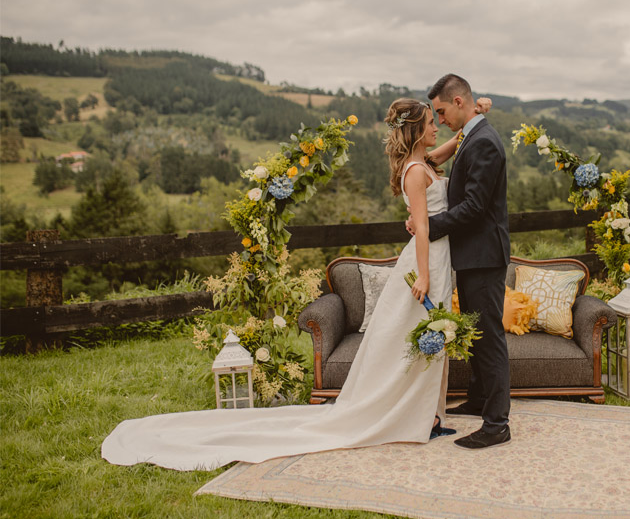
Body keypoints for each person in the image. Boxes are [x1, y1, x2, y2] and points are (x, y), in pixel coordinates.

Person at [102, 97, 489, 471]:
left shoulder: (420, 163)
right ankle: (413, 416)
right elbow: (422, 227)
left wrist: (472, 122)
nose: (437, 127)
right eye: (430, 123)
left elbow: (449, 150)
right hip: (427, 261)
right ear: (416, 131)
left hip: (437, 258)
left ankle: (424, 415)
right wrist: (422, 274)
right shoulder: (418, 171)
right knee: (418, 337)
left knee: (422, 337)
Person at [408, 74, 511, 450]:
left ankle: (497, 423)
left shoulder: (484, 142)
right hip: (472, 255)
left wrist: (426, 226)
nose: (440, 120)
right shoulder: (472, 135)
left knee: (489, 339)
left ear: (457, 101)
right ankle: (481, 399)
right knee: (478, 332)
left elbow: (473, 207)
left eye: (441, 112)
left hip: (483, 257)